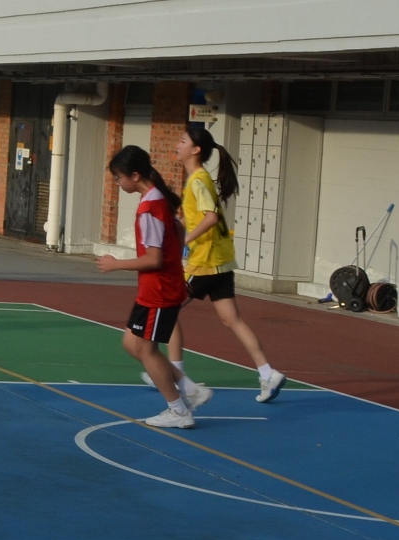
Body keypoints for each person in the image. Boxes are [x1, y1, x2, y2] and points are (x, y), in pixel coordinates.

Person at [169, 122, 285, 404]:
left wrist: (185, 240)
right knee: (231, 319)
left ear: (196, 149)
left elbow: (210, 218)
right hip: (220, 260)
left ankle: (175, 375)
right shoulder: (198, 179)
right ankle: (267, 373)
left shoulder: (198, 180)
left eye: (183, 141)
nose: (177, 144)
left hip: (205, 262)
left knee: (166, 309)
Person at [95, 146, 195, 429]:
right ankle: (189, 389)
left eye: (119, 177)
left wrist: (116, 264)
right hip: (154, 289)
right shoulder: (156, 199)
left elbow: (154, 258)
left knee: (147, 351)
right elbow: (178, 232)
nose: (117, 183)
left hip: (159, 290)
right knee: (132, 344)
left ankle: (178, 410)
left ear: (135, 175)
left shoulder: (150, 207)